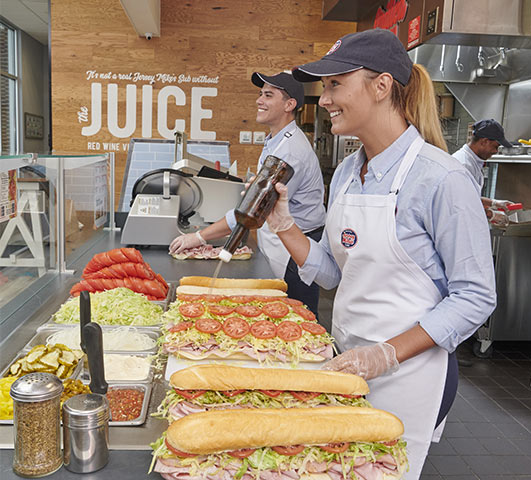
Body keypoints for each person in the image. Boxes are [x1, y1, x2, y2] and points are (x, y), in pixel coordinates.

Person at [266, 29, 496, 479]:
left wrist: (385, 355)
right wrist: (285, 225)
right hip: (346, 362)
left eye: (335, 84)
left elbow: (475, 297)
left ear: (381, 86)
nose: (325, 98)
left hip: (411, 374)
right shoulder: (350, 171)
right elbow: (337, 272)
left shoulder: (441, 179)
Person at [169, 72, 326, 315]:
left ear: (289, 104)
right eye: (260, 94)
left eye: (268, 95)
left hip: (297, 252)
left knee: (297, 320)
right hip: (281, 244)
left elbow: (252, 211)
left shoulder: (290, 151)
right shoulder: (276, 140)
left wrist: (197, 238)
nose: (259, 100)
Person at [451, 119, 516, 226]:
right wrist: (491, 214)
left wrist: (494, 203)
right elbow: (462, 204)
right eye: (495, 146)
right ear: (484, 141)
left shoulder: (472, 162)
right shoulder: (464, 165)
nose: (496, 151)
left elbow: (470, 197)